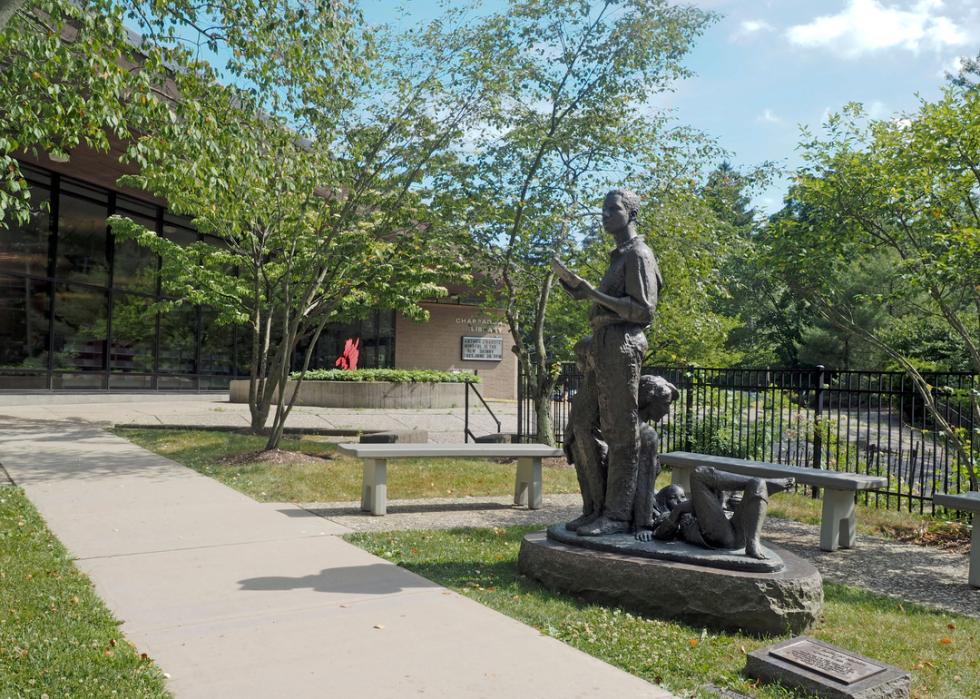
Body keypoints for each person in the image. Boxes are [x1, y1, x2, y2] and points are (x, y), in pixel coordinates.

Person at [558, 189, 662, 536]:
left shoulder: (639, 254)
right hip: (601, 345)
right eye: (602, 209)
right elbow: (611, 303)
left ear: (631, 213)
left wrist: (592, 293)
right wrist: (583, 293)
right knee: (581, 426)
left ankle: (616, 515)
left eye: (612, 209)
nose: (604, 214)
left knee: (621, 433)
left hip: (622, 344)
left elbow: (643, 310)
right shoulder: (617, 257)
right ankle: (595, 507)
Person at [640, 466, 795, 560]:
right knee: (699, 473)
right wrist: (679, 510)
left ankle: (753, 542)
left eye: (682, 497)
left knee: (757, 484)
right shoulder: (668, 515)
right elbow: (660, 534)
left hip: (739, 536)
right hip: (717, 537)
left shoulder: (700, 507)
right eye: (673, 498)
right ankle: (765, 483)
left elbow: (721, 510)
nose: (680, 501)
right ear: (663, 502)